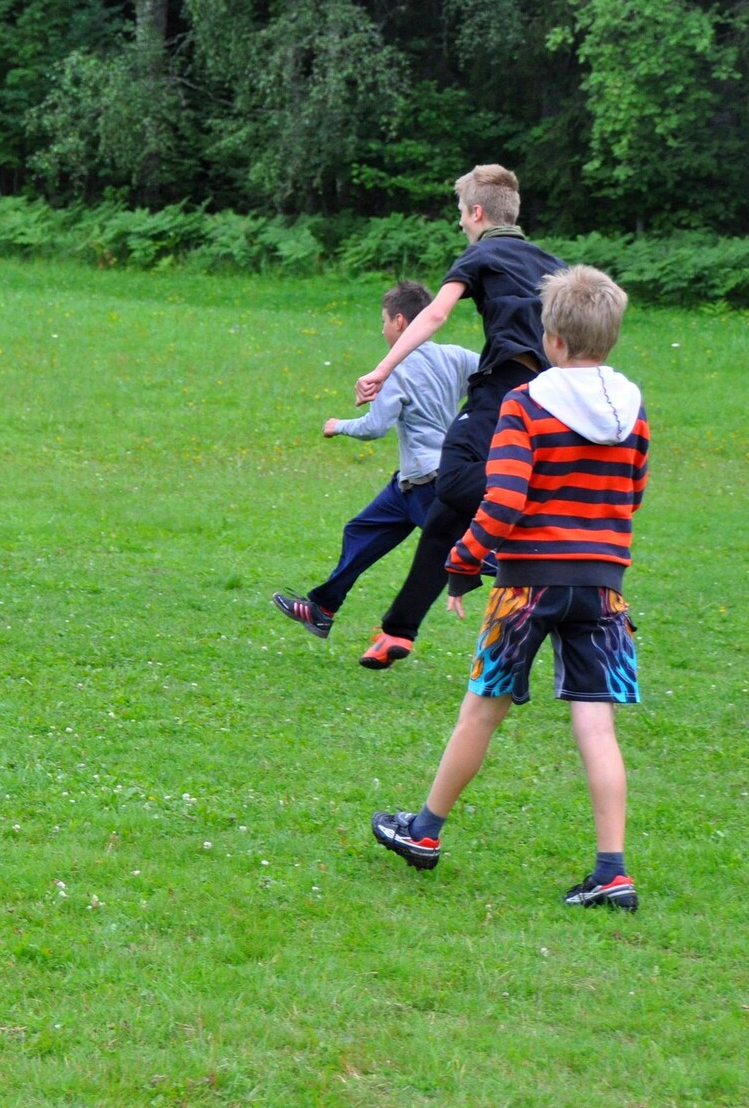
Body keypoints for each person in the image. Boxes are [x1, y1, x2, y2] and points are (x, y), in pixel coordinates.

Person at [370, 266, 649, 910]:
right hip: (602, 587)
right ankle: (612, 871)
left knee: (481, 711)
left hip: (526, 588)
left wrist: (463, 563)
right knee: (597, 727)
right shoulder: (632, 409)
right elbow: (631, 495)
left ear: (552, 338)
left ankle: (424, 832)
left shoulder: (525, 403)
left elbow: (503, 500)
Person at [351, 165, 565, 669]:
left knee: (450, 480)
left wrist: (383, 369)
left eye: (462, 214)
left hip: (504, 388)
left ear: (477, 212)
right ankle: (397, 631)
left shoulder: (480, 254)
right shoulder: (553, 264)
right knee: (444, 519)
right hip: (552, 393)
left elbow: (434, 314)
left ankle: (529, 518)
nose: (461, 223)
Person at [272, 281, 477, 644]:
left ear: (399, 321)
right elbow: (492, 374)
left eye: (383, 320)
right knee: (360, 530)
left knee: (469, 549)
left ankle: (538, 573)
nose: (382, 329)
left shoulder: (396, 368)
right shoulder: (457, 357)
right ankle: (322, 609)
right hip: (411, 482)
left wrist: (338, 426)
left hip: (429, 483)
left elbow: (376, 426)